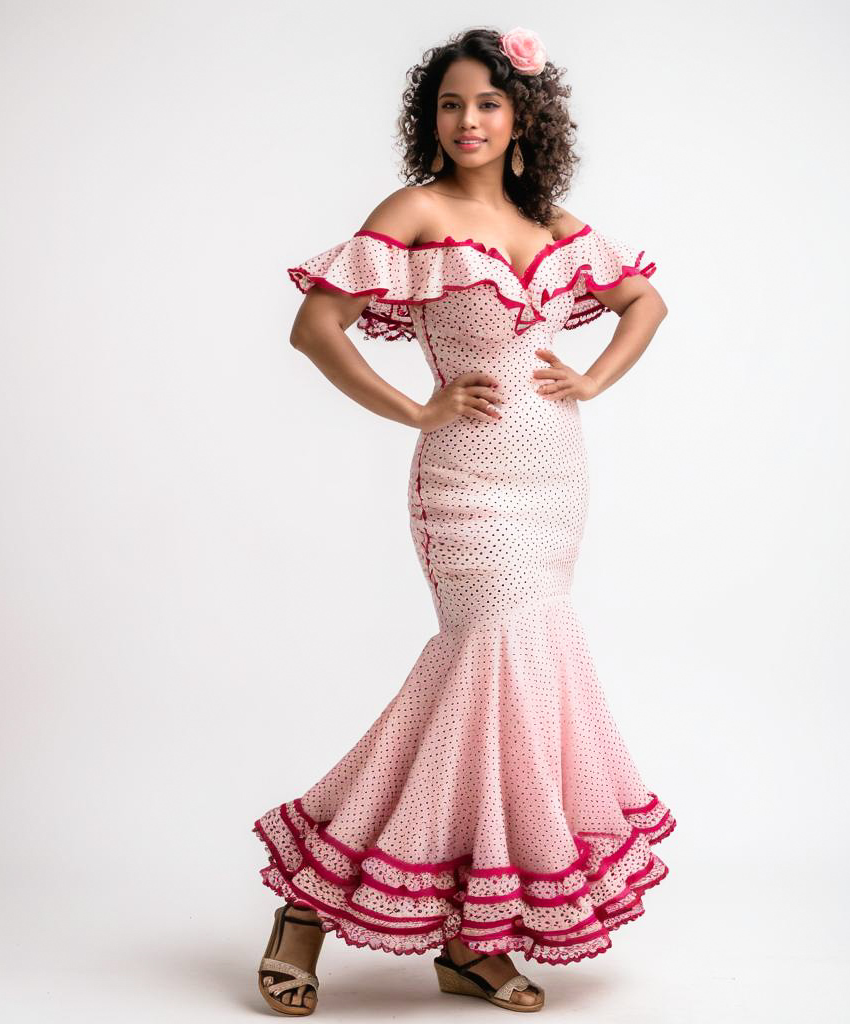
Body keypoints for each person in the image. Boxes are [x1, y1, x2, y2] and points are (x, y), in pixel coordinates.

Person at [252, 25, 675, 1016]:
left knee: (512, 699)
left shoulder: (554, 222)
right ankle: (310, 910)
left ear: (523, 115)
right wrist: (413, 408)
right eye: (449, 103)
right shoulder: (415, 210)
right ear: (428, 118)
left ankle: (467, 940)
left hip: (553, 485)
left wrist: (593, 379)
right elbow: (315, 324)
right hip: (465, 486)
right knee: (483, 674)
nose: (467, 120)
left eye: (486, 102)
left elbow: (643, 302)